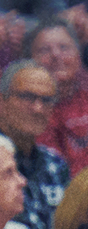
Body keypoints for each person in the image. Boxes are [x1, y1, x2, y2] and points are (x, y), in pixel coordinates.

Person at [0, 59, 71, 229]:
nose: (38, 108)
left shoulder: (56, 164)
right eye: (27, 97)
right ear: (0, 101)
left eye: (46, 100)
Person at [32, 17, 88, 173]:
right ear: (30, 60)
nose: (56, 55)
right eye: (44, 50)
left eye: (64, 47)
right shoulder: (32, 110)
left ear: (78, 55)